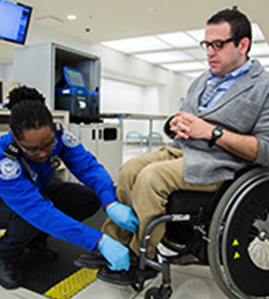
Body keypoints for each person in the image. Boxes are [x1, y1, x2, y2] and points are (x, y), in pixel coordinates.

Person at [87, 8, 269, 285]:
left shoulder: (263, 87)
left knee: (150, 178)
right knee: (129, 169)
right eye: (206, 45)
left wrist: (211, 132)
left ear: (242, 45)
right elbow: (182, 120)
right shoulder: (202, 80)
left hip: (220, 162)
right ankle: (114, 243)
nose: (209, 52)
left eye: (217, 45)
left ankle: (140, 258)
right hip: (182, 150)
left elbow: (265, 149)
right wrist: (174, 123)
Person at [0, 86, 139, 289]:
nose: (42, 154)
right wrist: (98, 241)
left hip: (34, 194)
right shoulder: (5, 159)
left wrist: (110, 202)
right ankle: (5, 256)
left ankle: (35, 239)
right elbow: (37, 210)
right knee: (35, 213)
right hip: (5, 201)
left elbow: (89, 167)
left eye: (48, 145)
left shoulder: (58, 137)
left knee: (88, 198)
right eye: (32, 150)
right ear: (15, 138)